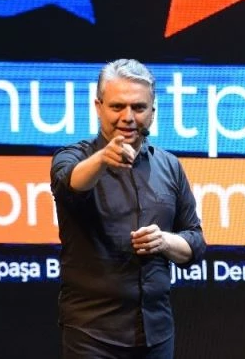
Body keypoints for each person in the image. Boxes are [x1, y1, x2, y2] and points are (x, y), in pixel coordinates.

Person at [50, 59, 206, 359]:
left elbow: (195, 242)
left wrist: (165, 241)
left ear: (153, 112)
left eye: (138, 107)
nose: (128, 117)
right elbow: (69, 185)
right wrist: (102, 159)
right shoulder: (73, 158)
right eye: (117, 107)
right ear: (98, 107)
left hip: (156, 332)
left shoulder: (170, 166)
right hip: (92, 335)